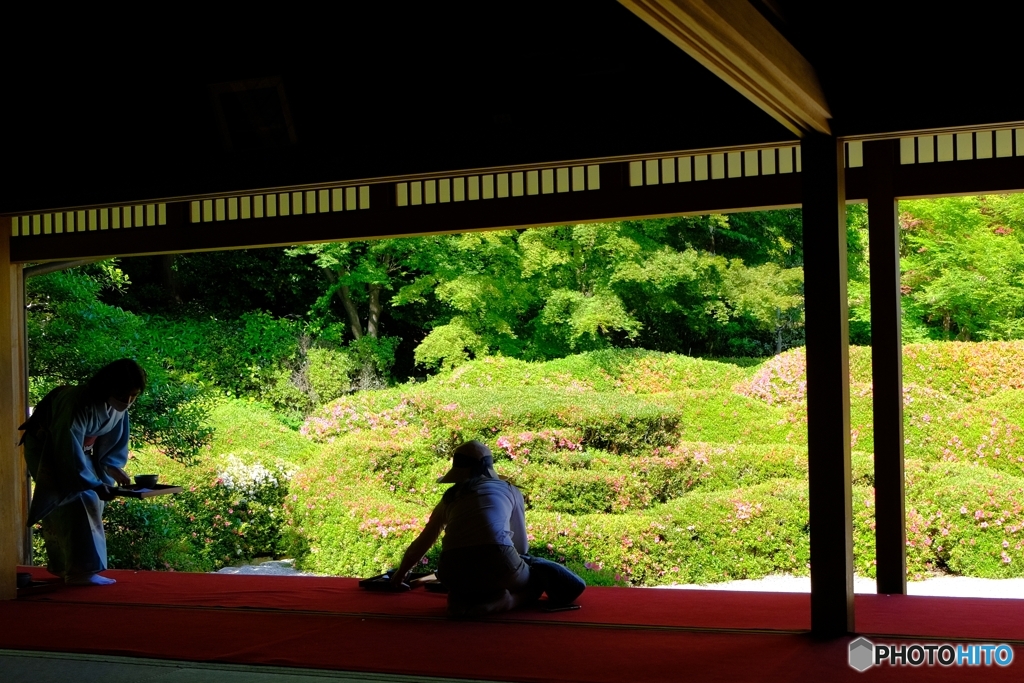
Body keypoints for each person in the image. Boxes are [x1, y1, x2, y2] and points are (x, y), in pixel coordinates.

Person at [390, 440, 585, 616]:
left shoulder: (450, 497)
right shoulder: (509, 489)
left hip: (452, 570)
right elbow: (521, 548)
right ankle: (507, 602)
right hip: (500, 563)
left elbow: (423, 542)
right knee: (536, 581)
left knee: (466, 583)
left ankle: (459, 599)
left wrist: (399, 576)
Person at [21, 359, 147, 586]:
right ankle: (80, 572)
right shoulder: (77, 401)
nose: (127, 401)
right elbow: (66, 447)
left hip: (80, 451)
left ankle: (69, 568)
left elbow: (110, 443)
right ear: (108, 386)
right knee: (78, 500)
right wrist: (95, 484)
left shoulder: (119, 406)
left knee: (92, 499)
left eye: (133, 396)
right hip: (48, 447)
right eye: (123, 394)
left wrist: (112, 468)